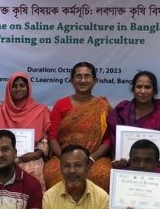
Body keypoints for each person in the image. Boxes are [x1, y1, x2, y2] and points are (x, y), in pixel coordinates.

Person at [43, 63, 112, 191]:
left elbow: (107, 140)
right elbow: (52, 137)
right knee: (52, 174)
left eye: (87, 76)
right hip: (62, 155)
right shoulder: (61, 104)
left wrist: (92, 158)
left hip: (94, 157)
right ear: (72, 81)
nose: (83, 80)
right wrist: (63, 157)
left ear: (95, 81)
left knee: (103, 174)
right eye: (79, 76)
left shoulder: (102, 106)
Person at [107, 70, 160, 176]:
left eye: (147, 87)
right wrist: (118, 159)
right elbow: (115, 141)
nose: (143, 91)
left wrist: (155, 162)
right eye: (139, 87)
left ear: (154, 91)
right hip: (126, 163)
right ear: (133, 89)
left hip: (155, 165)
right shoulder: (122, 110)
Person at [0, 71, 51, 187]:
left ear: (28, 88)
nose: (18, 89)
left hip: (31, 157)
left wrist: (37, 154)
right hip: (1, 156)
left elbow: (46, 138)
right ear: (9, 89)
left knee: (35, 170)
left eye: (22, 85)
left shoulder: (41, 111)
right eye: (14, 86)